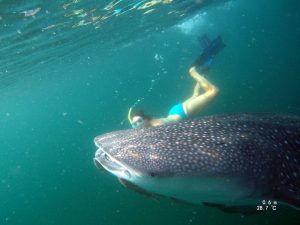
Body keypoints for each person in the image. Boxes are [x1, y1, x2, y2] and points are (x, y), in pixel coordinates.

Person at [128, 35, 225, 129]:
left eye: (139, 121)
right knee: (195, 94)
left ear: (145, 120)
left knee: (214, 91)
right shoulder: (148, 125)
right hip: (173, 112)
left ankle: (192, 72)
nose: (138, 125)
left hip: (183, 112)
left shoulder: (155, 126)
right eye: (134, 125)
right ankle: (203, 74)